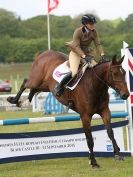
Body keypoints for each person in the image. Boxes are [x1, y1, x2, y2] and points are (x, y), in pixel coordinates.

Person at [54, 14, 105, 96]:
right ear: (85, 24)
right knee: (74, 72)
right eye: (91, 24)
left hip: (87, 54)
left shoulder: (94, 32)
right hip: (76, 53)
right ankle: (59, 86)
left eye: (93, 23)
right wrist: (84, 56)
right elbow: (76, 46)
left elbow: (98, 44)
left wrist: (102, 54)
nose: (93, 25)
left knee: (96, 70)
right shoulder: (78, 32)